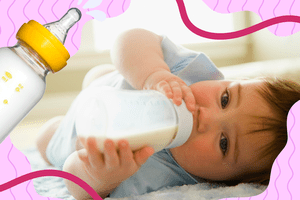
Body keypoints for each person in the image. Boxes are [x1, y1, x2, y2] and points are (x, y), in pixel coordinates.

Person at [36, 28, 300, 199]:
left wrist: (101, 176)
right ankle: (99, 81)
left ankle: (55, 128)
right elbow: (129, 39)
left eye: (224, 143)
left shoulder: (160, 179)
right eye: (225, 98)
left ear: (225, 182)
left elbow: (74, 180)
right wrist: (153, 73)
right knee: (104, 73)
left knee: (44, 140)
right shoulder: (190, 73)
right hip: (111, 87)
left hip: (78, 133)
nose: (204, 117)